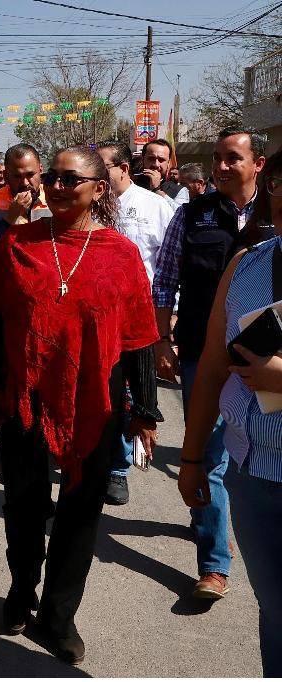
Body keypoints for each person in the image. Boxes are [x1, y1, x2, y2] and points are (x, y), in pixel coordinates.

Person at [0, 145, 161, 665]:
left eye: (69, 179)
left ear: (98, 189)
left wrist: (145, 410)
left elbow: (139, 339)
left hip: (96, 403)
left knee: (81, 510)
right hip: (25, 397)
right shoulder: (17, 244)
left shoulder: (121, 254)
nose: (56, 187)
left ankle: (59, 615)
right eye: (52, 177)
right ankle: (21, 587)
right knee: (23, 501)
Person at [153, 126, 269, 600]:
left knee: (257, 448)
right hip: (203, 352)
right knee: (209, 452)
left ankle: (233, 521)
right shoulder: (192, 214)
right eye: (217, 158)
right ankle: (214, 563)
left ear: (258, 164)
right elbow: (165, 279)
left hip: (266, 358)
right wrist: (162, 339)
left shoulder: (273, 215)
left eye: (232, 158)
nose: (221, 166)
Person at [178, 149, 282, 676]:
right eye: (280, 186)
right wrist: (192, 457)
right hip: (256, 476)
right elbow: (213, 368)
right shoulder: (248, 266)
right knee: (276, 612)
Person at [97, 140, 177, 505]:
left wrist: (169, 314)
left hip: (141, 317)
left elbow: (170, 264)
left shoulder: (156, 206)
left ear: (123, 168)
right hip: (98, 316)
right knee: (103, 390)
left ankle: (121, 468)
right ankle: (98, 457)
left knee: (135, 394)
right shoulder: (90, 206)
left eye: (102, 167)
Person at [0, 143, 51, 264]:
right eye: (17, 176)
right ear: (6, 176)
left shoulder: (53, 198)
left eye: (30, 175)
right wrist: (9, 219)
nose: (25, 183)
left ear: (40, 170)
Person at [140, 138, 187, 203]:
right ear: (143, 159)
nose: (156, 164)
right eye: (151, 158)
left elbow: (178, 209)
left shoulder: (179, 191)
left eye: (161, 160)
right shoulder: (130, 185)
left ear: (168, 163)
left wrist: (156, 189)